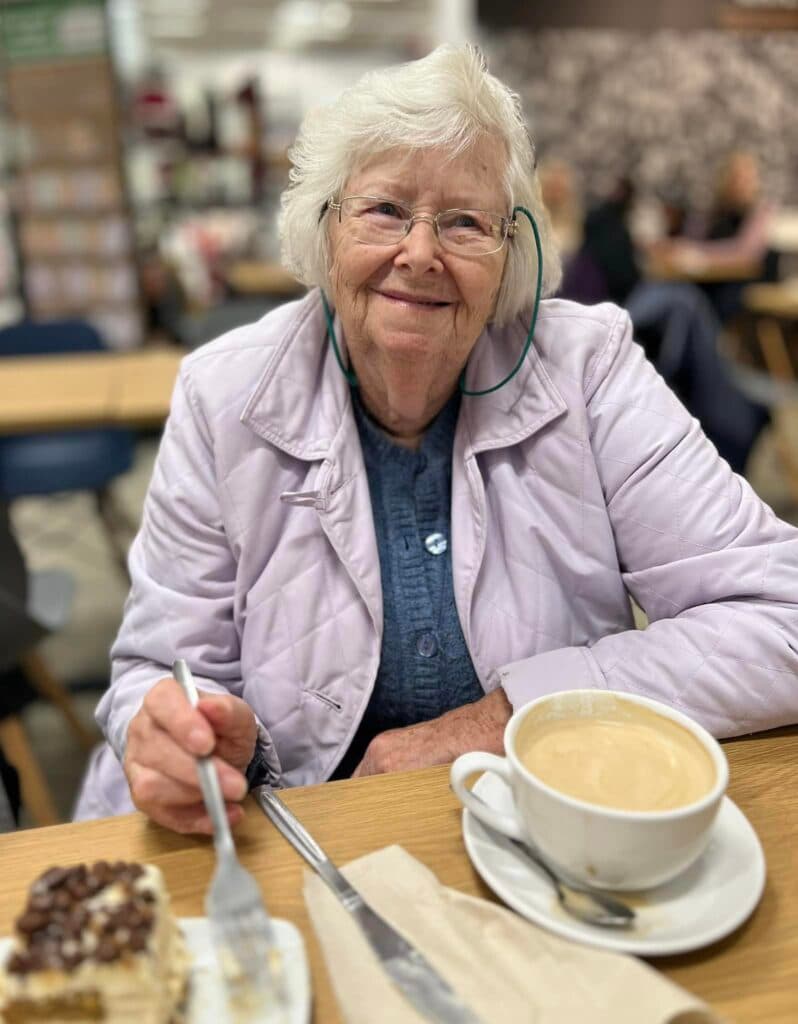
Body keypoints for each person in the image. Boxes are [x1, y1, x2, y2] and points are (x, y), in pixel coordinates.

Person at [76, 46, 798, 834]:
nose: (420, 253)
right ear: (324, 228)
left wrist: (502, 719)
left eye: (463, 222)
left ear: (510, 251)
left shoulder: (588, 370)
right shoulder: (224, 393)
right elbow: (157, 667)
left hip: (545, 829)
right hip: (287, 833)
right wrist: (181, 735)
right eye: (384, 210)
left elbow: (781, 619)